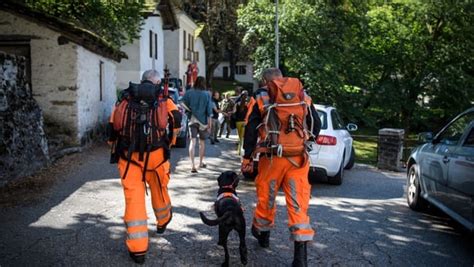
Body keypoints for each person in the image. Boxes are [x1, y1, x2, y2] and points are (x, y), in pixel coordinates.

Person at [241, 68, 321, 267]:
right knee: (298, 204)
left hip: (272, 157)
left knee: (266, 196)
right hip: (298, 159)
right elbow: (316, 125)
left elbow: (250, 127)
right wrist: (304, 142)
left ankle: (263, 233)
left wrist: (247, 157)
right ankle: (300, 258)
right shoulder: (302, 95)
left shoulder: (260, 96)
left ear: (265, 81)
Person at [107, 70, 182, 264]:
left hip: (129, 158)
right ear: (157, 82)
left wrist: (114, 146)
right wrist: (170, 142)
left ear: (141, 81)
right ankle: (163, 221)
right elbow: (176, 120)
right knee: (159, 189)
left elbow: (112, 125)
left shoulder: (125, 98)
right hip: (156, 156)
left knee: (134, 200)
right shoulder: (162, 98)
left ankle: (138, 250)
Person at [181, 76, 213, 173]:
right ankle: (200, 162)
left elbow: (181, 102)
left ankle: (192, 166)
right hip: (203, 122)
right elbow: (209, 110)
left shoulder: (189, 92)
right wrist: (209, 124)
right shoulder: (206, 94)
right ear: (203, 83)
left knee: (192, 142)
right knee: (202, 143)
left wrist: (189, 110)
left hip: (192, 120)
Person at [233, 90, 249, 155]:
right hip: (245, 122)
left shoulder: (237, 104)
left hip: (238, 122)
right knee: (244, 137)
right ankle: (243, 151)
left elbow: (234, 111)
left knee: (240, 137)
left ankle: (239, 151)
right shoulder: (248, 104)